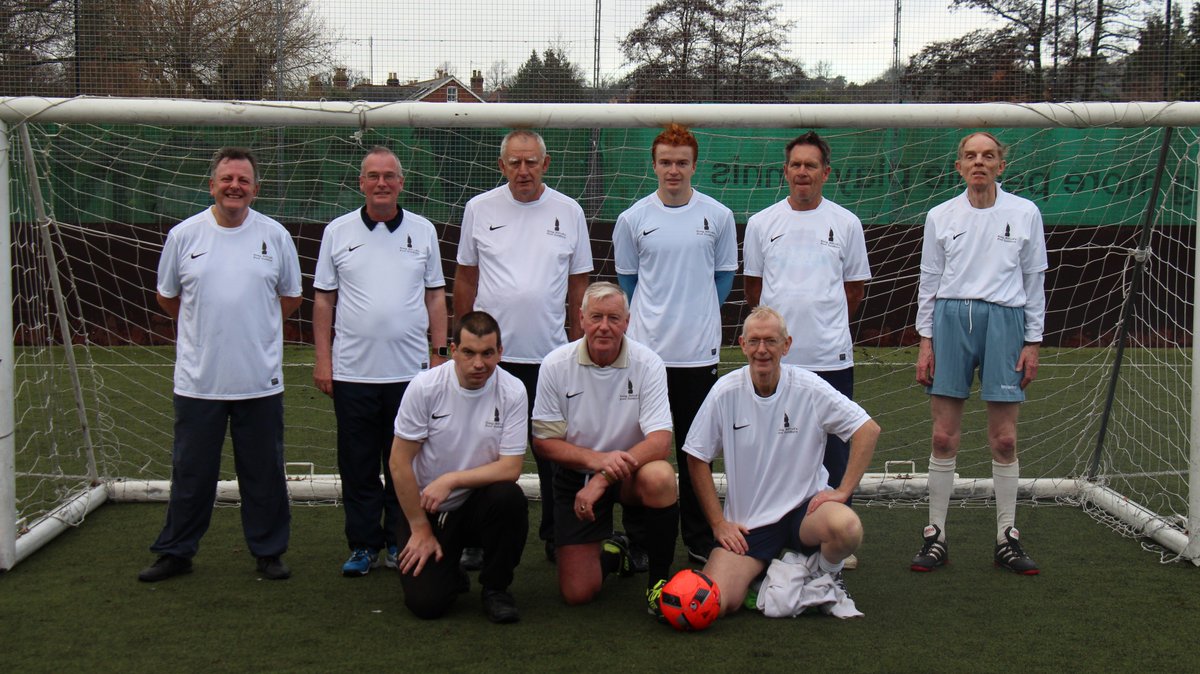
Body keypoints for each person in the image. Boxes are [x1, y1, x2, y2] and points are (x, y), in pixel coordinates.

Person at [138, 147, 302, 582]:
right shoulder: (184, 236)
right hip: (199, 382)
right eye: (227, 179)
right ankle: (176, 551)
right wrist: (205, 326)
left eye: (243, 180)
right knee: (192, 473)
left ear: (255, 189)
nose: (235, 186)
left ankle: (268, 551)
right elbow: (167, 296)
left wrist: (255, 327)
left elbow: (290, 296)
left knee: (263, 472)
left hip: (259, 381)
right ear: (211, 185)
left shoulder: (275, 236)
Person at [683, 306, 880, 616]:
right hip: (750, 524)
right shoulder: (725, 391)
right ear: (742, 344)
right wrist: (718, 523)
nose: (763, 350)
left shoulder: (809, 387)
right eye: (755, 341)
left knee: (847, 527)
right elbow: (696, 456)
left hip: (805, 515)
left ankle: (825, 575)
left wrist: (842, 491)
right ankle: (766, 576)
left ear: (786, 345)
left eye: (771, 341)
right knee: (715, 603)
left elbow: (868, 429)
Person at [912, 131, 1048, 575]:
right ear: (959, 166)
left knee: (1004, 439)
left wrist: (1033, 341)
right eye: (970, 156)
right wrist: (925, 340)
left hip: (1005, 323)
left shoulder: (1026, 213)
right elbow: (929, 280)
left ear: (1000, 165)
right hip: (951, 321)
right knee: (943, 438)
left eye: (988, 156)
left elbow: (1034, 282)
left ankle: (1007, 537)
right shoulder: (940, 215)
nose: (979, 163)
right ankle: (936, 535)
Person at [454, 129, 593, 564]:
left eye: (531, 161)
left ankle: (558, 535)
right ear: (501, 166)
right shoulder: (478, 208)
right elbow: (465, 277)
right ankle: (476, 537)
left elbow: (579, 282)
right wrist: (459, 342)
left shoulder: (569, 211)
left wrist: (576, 337)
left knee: (555, 452)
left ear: (545, 165)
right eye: (514, 162)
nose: (523, 170)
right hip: (491, 360)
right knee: (484, 448)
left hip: (551, 358)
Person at [313, 146, 448, 577]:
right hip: (352, 372)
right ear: (361, 183)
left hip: (410, 375)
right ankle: (363, 544)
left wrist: (440, 357)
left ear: (401, 183)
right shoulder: (337, 231)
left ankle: (400, 540)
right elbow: (323, 300)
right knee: (357, 464)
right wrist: (323, 360)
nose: (382, 183)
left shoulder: (424, 231)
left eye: (389, 176)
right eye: (373, 176)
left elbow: (435, 298)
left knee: (404, 464)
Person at [743, 131, 871, 567]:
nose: (802, 172)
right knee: (777, 444)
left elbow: (853, 289)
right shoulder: (762, 224)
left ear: (825, 173)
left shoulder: (847, 223)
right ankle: (773, 527)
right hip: (778, 361)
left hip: (830, 356)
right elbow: (754, 291)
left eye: (811, 165)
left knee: (836, 446)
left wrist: (824, 325)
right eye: (795, 165)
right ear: (786, 171)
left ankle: (835, 530)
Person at [612, 123, 737, 566]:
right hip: (647, 357)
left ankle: (698, 540)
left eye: (681, 162)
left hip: (698, 355)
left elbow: (724, 275)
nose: (673, 170)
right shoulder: (633, 219)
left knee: (693, 451)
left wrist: (701, 311)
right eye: (665, 162)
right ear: (654, 165)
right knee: (645, 450)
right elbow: (629, 282)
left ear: (694, 166)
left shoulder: (718, 217)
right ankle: (640, 539)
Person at [531, 282, 678, 614]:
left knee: (661, 476)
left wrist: (603, 476)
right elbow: (544, 442)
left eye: (614, 318)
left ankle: (659, 584)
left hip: (630, 475)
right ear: (581, 318)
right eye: (596, 317)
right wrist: (597, 463)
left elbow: (659, 441)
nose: (604, 326)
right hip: (577, 477)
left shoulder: (649, 363)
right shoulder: (555, 364)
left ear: (627, 322)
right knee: (577, 593)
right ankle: (615, 554)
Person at [389, 311, 529, 623]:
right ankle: (449, 569)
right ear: (453, 351)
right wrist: (419, 526)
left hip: (478, 503)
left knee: (509, 498)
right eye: (469, 352)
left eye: (487, 354)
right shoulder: (425, 387)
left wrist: (452, 479)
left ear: (499, 353)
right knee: (427, 605)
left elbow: (510, 468)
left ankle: (496, 589)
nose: (479, 364)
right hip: (428, 508)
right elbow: (398, 462)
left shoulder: (513, 391)